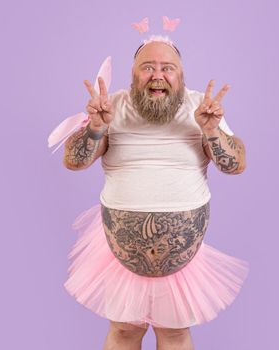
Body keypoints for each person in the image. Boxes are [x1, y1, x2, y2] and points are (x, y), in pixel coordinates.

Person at [62, 37, 249, 350]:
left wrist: (212, 130)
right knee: (123, 332)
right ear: (134, 75)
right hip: (118, 255)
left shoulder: (200, 108)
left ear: (180, 75)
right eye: (147, 67)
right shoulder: (112, 107)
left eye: (168, 68)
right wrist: (95, 127)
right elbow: (75, 161)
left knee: (175, 334)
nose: (157, 75)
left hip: (183, 260)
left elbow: (235, 166)